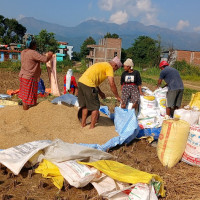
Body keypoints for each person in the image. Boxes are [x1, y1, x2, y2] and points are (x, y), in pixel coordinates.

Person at [78, 56, 122, 129]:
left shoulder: (102, 64)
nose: (114, 71)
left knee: (85, 106)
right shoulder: (109, 67)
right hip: (89, 85)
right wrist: (117, 96)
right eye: (116, 69)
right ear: (115, 65)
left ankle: (83, 125)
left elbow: (94, 80)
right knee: (95, 107)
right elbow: (112, 83)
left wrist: (100, 92)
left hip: (81, 82)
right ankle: (92, 127)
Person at [18, 40, 53, 110]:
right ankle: (25, 112)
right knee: (27, 97)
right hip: (29, 77)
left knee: (28, 95)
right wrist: (50, 55)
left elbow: (37, 58)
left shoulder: (23, 52)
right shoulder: (33, 53)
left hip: (23, 75)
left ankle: (30, 110)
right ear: (33, 45)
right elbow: (45, 59)